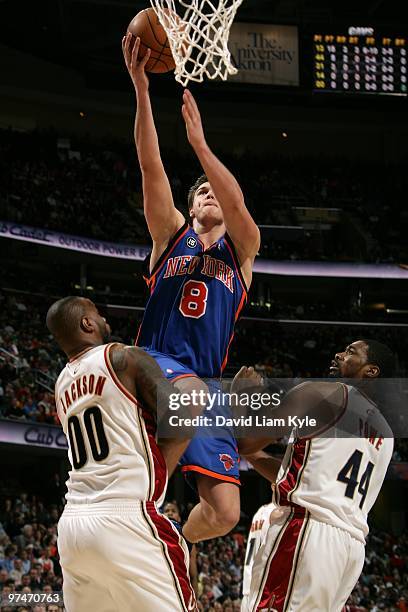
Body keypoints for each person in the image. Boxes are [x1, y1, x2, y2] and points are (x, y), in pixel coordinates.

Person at [122, 33, 260, 543]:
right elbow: (150, 166)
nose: (210, 192)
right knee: (149, 474)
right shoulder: (170, 235)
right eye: (201, 188)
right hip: (156, 366)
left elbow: (240, 208)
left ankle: (167, 543)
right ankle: (140, 502)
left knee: (225, 513)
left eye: (215, 188)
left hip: (205, 385)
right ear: (191, 203)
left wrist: (202, 147)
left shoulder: (242, 250)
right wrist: (141, 88)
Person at [46, 296, 197, 612]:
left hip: (73, 527)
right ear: (87, 323)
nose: (102, 318)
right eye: (96, 313)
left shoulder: (61, 384)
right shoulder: (123, 357)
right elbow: (181, 421)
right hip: (126, 516)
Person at [241, 339, 395, 612]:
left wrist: (245, 396)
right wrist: (256, 459)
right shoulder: (386, 433)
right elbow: (312, 477)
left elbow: (246, 441)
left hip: (307, 532)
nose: (338, 354)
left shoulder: (322, 394)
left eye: (350, 352)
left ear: (371, 371)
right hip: (350, 550)